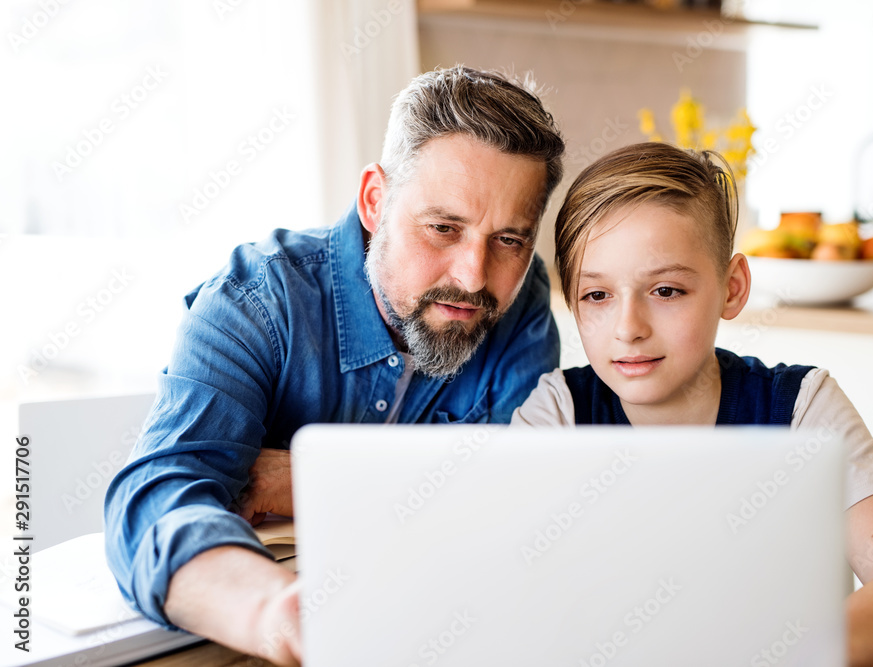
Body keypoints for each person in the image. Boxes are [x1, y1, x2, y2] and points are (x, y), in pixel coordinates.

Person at [105, 65, 565, 666]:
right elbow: (155, 500)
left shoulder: (522, 300)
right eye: (443, 228)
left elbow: (523, 500)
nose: (473, 276)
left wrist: (307, 478)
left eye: (509, 240)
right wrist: (278, 615)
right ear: (375, 201)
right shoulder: (256, 301)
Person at [511, 142, 873, 667]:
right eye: (598, 296)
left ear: (732, 287)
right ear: (572, 300)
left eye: (666, 290)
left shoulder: (802, 409)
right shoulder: (556, 417)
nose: (628, 328)